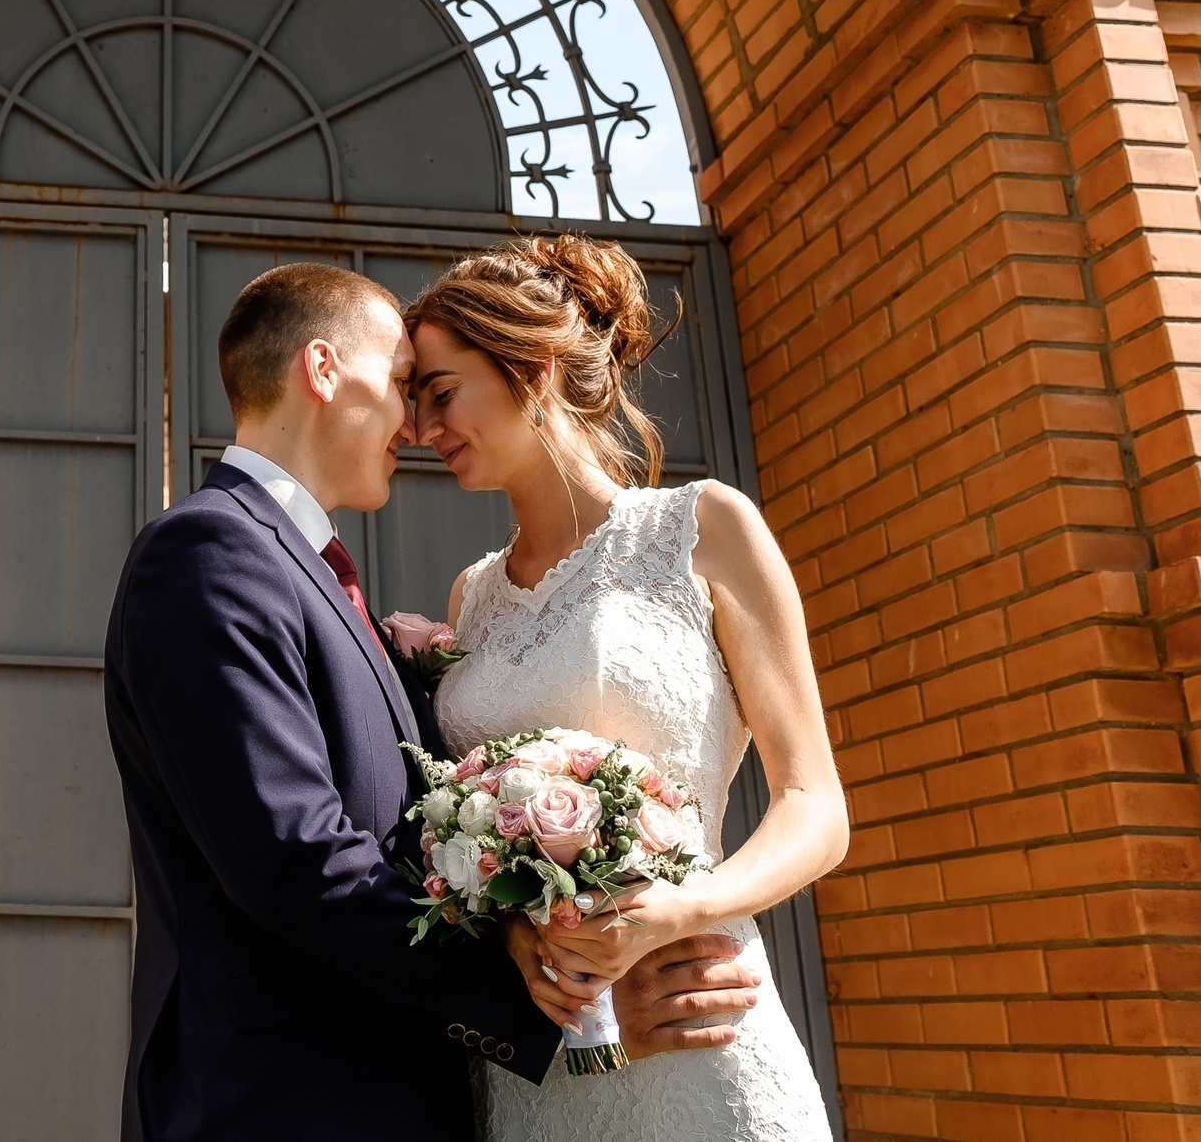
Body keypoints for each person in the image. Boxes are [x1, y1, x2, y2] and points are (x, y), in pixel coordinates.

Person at [104, 261, 767, 1142]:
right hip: (279, 1103)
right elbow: (293, 860)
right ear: (324, 368)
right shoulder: (207, 553)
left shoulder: (312, 578)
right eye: (402, 383)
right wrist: (563, 1010)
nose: (414, 425)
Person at [409, 237, 849, 1142]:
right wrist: (515, 936)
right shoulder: (472, 595)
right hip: (545, 1058)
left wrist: (683, 908)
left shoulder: (705, 529)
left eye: (441, 392)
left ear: (528, 368)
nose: (421, 427)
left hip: (698, 1021)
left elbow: (816, 802)